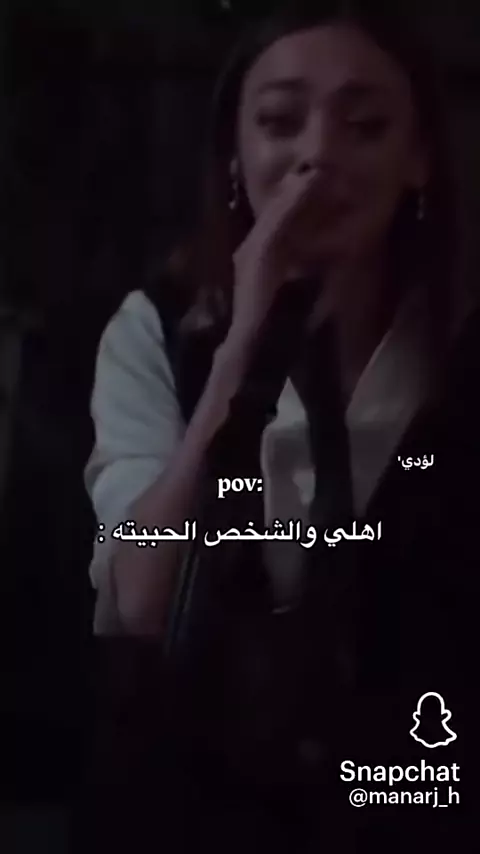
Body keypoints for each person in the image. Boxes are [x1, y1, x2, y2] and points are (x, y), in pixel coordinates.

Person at [85, 2, 477, 850]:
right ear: (236, 155)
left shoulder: (458, 349)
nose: (318, 154)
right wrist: (242, 349)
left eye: (364, 126)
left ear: (418, 159)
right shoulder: (155, 333)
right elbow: (141, 603)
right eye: (279, 121)